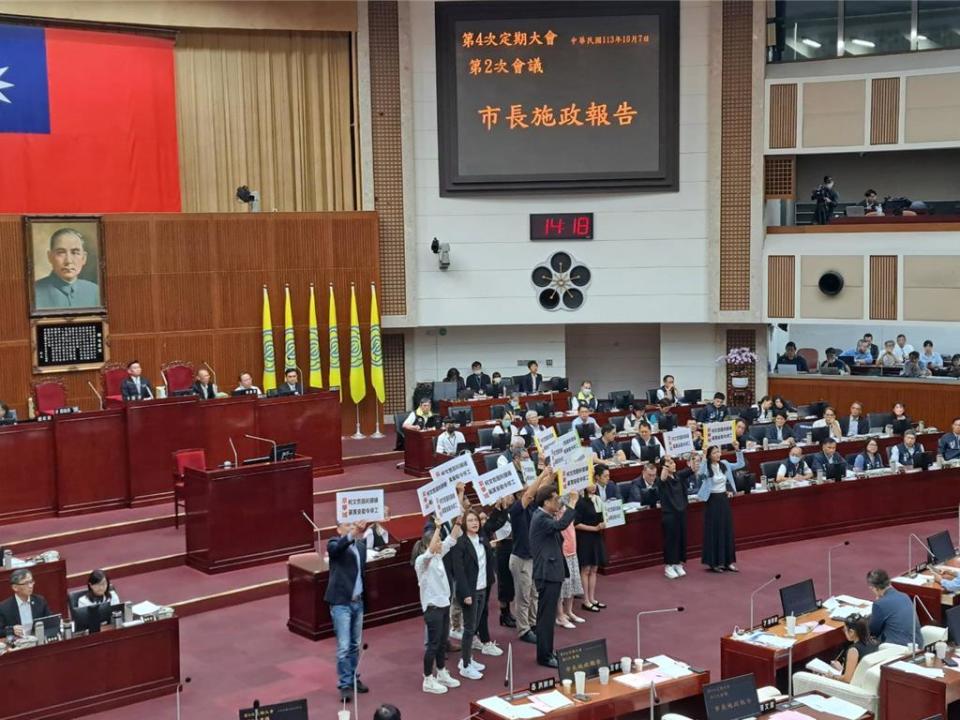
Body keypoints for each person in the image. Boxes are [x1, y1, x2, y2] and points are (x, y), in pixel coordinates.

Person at [530, 484, 578, 668]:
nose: (559, 502)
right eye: (556, 499)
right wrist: (572, 504)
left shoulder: (543, 516)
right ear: (547, 501)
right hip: (547, 573)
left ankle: (548, 652)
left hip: (551, 572)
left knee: (547, 617)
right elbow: (560, 525)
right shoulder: (541, 517)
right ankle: (544, 656)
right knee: (546, 618)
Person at [415, 520, 463, 693]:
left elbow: (451, 539)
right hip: (432, 608)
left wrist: (458, 521)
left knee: (442, 643)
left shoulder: (438, 557)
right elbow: (429, 553)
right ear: (429, 544)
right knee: (433, 644)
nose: (440, 544)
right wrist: (437, 527)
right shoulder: (422, 561)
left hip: (444, 606)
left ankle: (441, 672)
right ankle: (428, 678)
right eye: (437, 541)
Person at [509, 467, 553, 644]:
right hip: (521, 558)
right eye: (525, 489)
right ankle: (523, 629)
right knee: (523, 597)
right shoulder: (516, 509)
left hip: (534, 557)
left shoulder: (533, 507)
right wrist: (541, 474)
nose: (529, 491)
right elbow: (530, 494)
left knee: (535, 593)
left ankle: (533, 623)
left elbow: (541, 492)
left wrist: (551, 475)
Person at [325, 520, 369, 702]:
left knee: (354, 645)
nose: (351, 527)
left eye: (353, 524)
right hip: (341, 603)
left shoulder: (360, 546)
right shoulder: (333, 543)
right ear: (338, 528)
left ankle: (353, 678)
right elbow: (337, 550)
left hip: (358, 602)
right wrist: (352, 534)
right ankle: (344, 684)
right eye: (347, 525)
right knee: (343, 646)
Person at [451, 509, 497, 680]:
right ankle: (465, 665)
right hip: (470, 591)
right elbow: (459, 571)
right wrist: (465, 593)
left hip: (483, 588)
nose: (474, 523)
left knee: (475, 626)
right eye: (470, 520)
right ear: (464, 523)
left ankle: (468, 658)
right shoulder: (460, 543)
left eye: (476, 520)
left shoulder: (482, 539)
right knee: (469, 629)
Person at [697, 444, 745, 573]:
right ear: (709, 455)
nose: (718, 454)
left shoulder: (724, 464)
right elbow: (700, 474)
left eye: (718, 452)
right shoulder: (706, 466)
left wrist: (737, 449)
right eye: (714, 453)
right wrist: (703, 456)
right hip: (712, 501)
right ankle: (714, 563)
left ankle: (728, 562)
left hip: (723, 500)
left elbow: (740, 464)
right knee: (714, 531)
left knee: (726, 530)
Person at [33, 227, 100, 310]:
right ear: (50, 257)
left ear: (84, 258)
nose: (68, 261)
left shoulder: (95, 291)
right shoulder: (33, 292)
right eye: (61, 252)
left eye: (75, 252)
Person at [866, 568, 922, 647]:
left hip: (898, 648)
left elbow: (873, 631)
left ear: (874, 588)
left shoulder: (879, 604)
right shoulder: (904, 596)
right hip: (917, 645)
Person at [574, 481, 606, 614]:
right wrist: (594, 528)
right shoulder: (581, 502)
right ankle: (585, 600)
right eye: (590, 483)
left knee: (594, 568)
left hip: (597, 537)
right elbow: (576, 524)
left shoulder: (598, 500)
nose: (593, 486)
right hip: (585, 537)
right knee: (586, 568)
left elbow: (603, 516)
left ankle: (592, 598)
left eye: (594, 483)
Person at [657, 456, 689, 580]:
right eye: (670, 463)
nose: (673, 464)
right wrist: (665, 465)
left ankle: (677, 563)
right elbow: (663, 477)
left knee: (680, 538)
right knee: (670, 540)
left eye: (673, 462)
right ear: (664, 466)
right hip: (669, 514)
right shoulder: (662, 480)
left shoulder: (678, 476)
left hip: (681, 513)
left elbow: (691, 469)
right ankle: (669, 566)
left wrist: (698, 456)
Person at [556, 497, 585, 629]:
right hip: (562, 551)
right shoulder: (555, 513)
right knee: (562, 586)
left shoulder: (569, 509)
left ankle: (569, 611)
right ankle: (560, 615)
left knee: (573, 582)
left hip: (573, 550)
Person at [825, 615, 879, 684]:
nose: (844, 632)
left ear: (851, 632)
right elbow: (859, 668)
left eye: (844, 630)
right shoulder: (874, 642)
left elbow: (847, 679)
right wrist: (842, 669)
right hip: (866, 681)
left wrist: (832, 676)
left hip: (853, 687)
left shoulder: (853, 650)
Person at [0, 569, 52, 637]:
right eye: (26, 583)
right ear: (15, 587)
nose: (30, 586)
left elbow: (51, 622)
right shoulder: (4, 607)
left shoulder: (40, 601)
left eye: (31, 582)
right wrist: (11, 630)